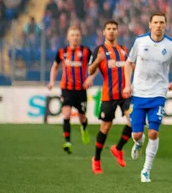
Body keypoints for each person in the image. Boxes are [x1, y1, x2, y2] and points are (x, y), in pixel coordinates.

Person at [122, 12, 172, 183]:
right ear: (149, 24)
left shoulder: (171, 46)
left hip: (158, 94)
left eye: (162, 22)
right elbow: (129, 63)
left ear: (166, 25)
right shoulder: (140, 41)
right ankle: (138, 142)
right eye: (155, 22)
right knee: (136, 134)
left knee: (153, 132)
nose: (158, 25)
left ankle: (146, 171)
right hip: (138, 94)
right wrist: (127, 84)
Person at [84, 20, 132, 174]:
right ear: (103, 32)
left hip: (125, 94)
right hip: (109, 95)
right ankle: (96, 159)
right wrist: (97, 60)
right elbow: (90, 70)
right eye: (108, 29)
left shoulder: (124, 50)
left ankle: (118, 149)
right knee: (105, 127)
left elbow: (131, 67)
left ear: (118, 32)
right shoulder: (99, 50)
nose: (111, 31)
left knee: (134, 122)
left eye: (114, 29)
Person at [47, 25, 93, 154]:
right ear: (68, 37)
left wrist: (90, 78)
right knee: (66, 114)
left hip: (81, 90)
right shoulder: (62, 52)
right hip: (66, 89)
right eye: (72, 35)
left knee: (82, 117)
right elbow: (55, 66)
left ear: (80, 37)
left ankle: (84, 128)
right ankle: (67, 141)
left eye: (77, 35)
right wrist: (51, 81)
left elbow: (95, 65)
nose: (75, 37)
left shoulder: (86, 51)